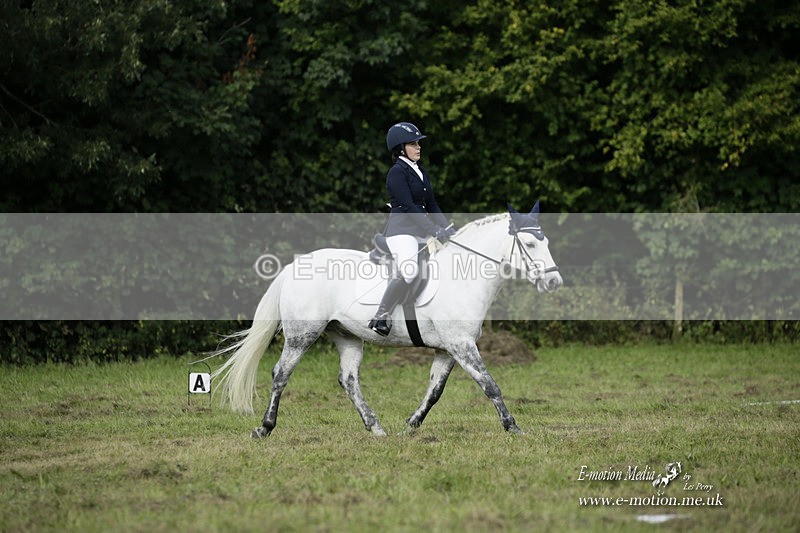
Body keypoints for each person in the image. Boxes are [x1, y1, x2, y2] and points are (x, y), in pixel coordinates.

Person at [368, 122, 456, 336]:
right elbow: (409, 207)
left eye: (418, 143)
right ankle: (381, 316)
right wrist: (434, 230)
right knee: (409, 271)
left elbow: (432, 204)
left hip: (420, 231)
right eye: (413, 144)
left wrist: (448, 228)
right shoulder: (396, 173)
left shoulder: (421, 171)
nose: (418, 147)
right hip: (401, 232)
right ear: (400, 148)